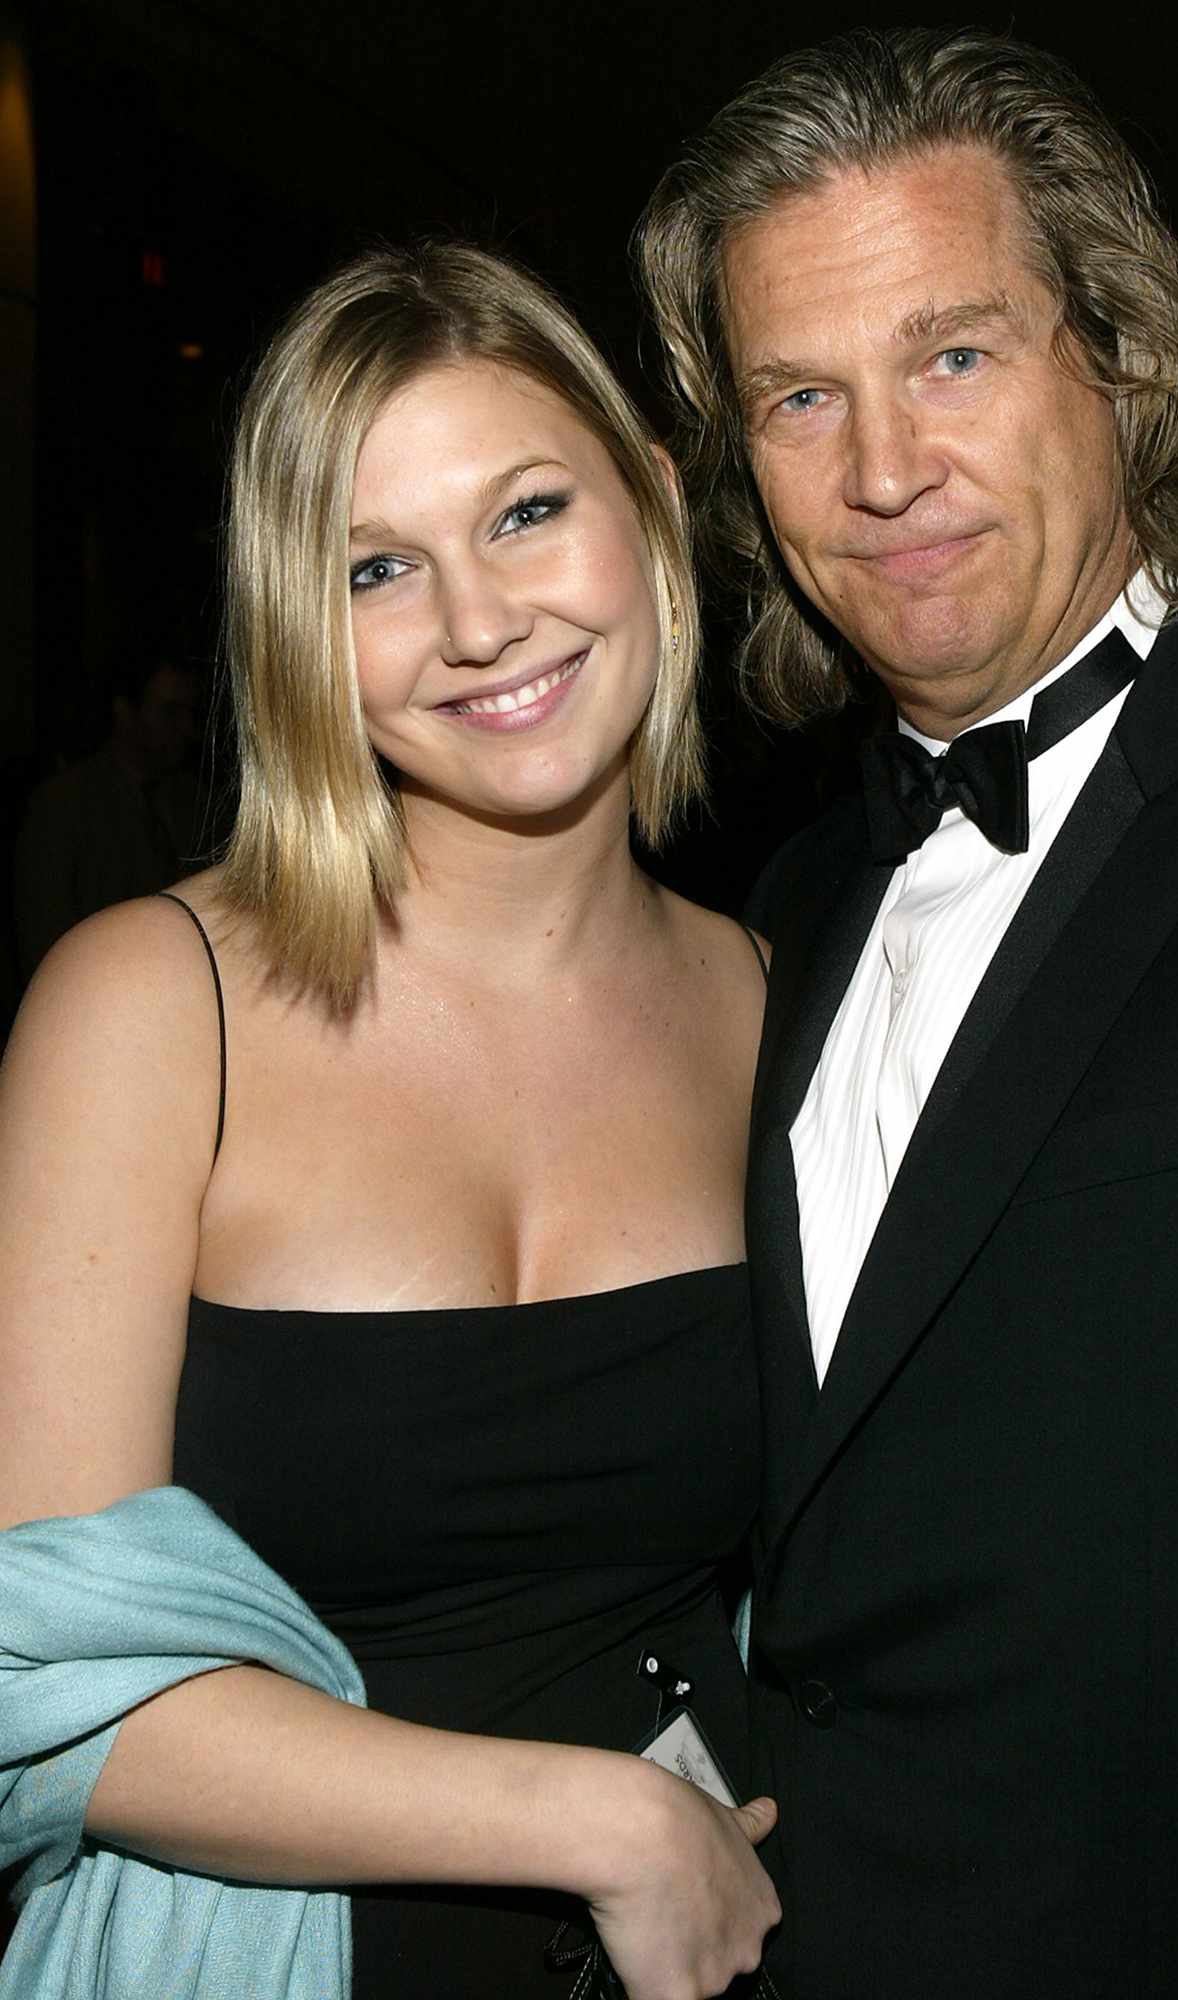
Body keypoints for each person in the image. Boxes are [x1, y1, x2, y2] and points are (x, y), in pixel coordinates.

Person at [637, 27, 1178, 1998]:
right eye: (798, 394)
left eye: (953, 355)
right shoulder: (783, 905)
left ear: (1115, 352)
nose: (879, 469)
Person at [0, 241, 780, 1999]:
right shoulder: (149, 1008)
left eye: (524, 512)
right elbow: (34, 1692)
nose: (479, 621)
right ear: (298, 622)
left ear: (650, 505)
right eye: (377, 566)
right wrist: (609, 1827)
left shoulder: (777, 1001)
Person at [12, 648, 203, 978]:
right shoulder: (65, 804)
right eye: (169, 713)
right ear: (125, 712)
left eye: (189, 714)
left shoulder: (193, 800)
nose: (186, 729)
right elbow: (43, 934)